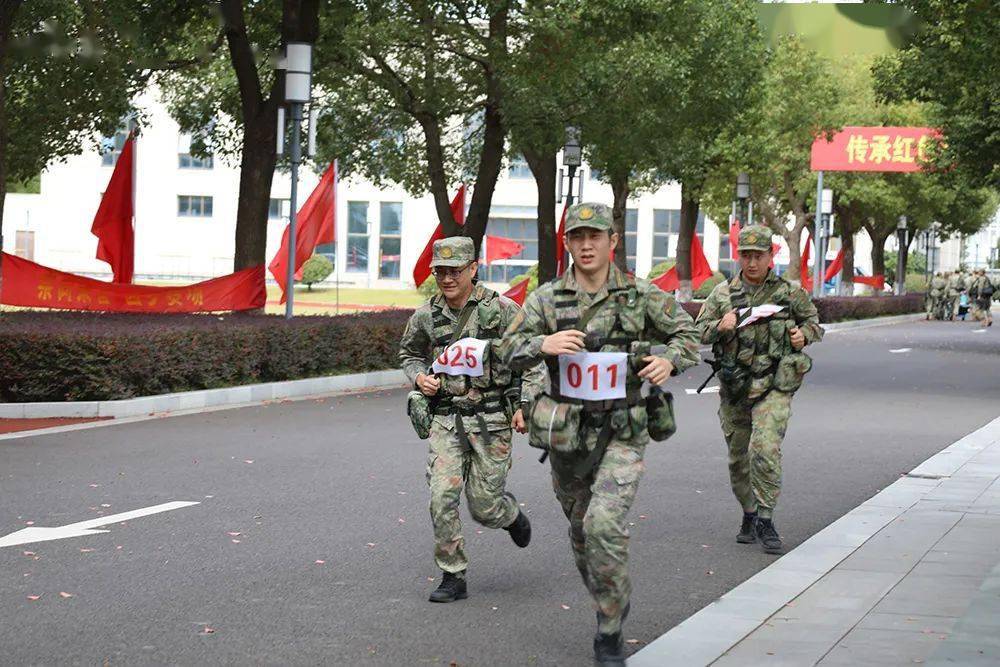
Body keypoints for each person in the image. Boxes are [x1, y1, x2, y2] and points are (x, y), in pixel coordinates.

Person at [499, 203, 700, 666]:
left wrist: (670, 359)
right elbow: (505, 348)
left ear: (613, 241)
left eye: (595, 236)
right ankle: (609, 594)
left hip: (624, 430)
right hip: (568, 437)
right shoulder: (546, 299)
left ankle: (609, 625)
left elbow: (688, 333)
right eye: (577, 237)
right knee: (580, 533)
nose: (586, 245)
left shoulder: (639, 295)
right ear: (567, 243)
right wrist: (540, 344)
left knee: (603, 524)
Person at [398, 236, 544, 603]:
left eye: (455, 271)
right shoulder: (426, 316)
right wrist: (419, 377)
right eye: (440, 272)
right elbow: (409, 354)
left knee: (484, 506)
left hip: (492, 420)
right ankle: (453, 574)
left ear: (474, 269)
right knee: (441, 496)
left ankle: (508, 514)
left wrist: (526, 405)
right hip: (446, 419)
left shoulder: (503, 310)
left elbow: (533, 360)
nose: (447, 279)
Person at [695, 225, 824, 555]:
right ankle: (749, 513)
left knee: (764, 449)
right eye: (746, 256)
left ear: (770, 256)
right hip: (736, 387)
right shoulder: (723, 294)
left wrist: (803, 335)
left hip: (775, 384)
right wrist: (719, 326)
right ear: (739, 256)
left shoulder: (789, 293)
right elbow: (698, 332)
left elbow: (814, 323)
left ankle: (766, 518)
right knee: (739, 461)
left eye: (758, 256)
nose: (752, 262)